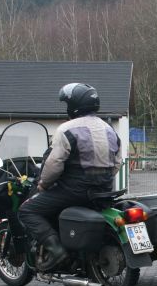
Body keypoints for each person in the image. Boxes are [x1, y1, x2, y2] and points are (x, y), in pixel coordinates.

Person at [19, 82, 121, 270]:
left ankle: (56, 250)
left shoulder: (67, 129)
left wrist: (43, 184)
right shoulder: (109, 130)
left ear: (73, 106)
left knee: (27, 210)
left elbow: (54, 164)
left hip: (74, 192)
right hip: (103, 191)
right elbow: (117, 163)